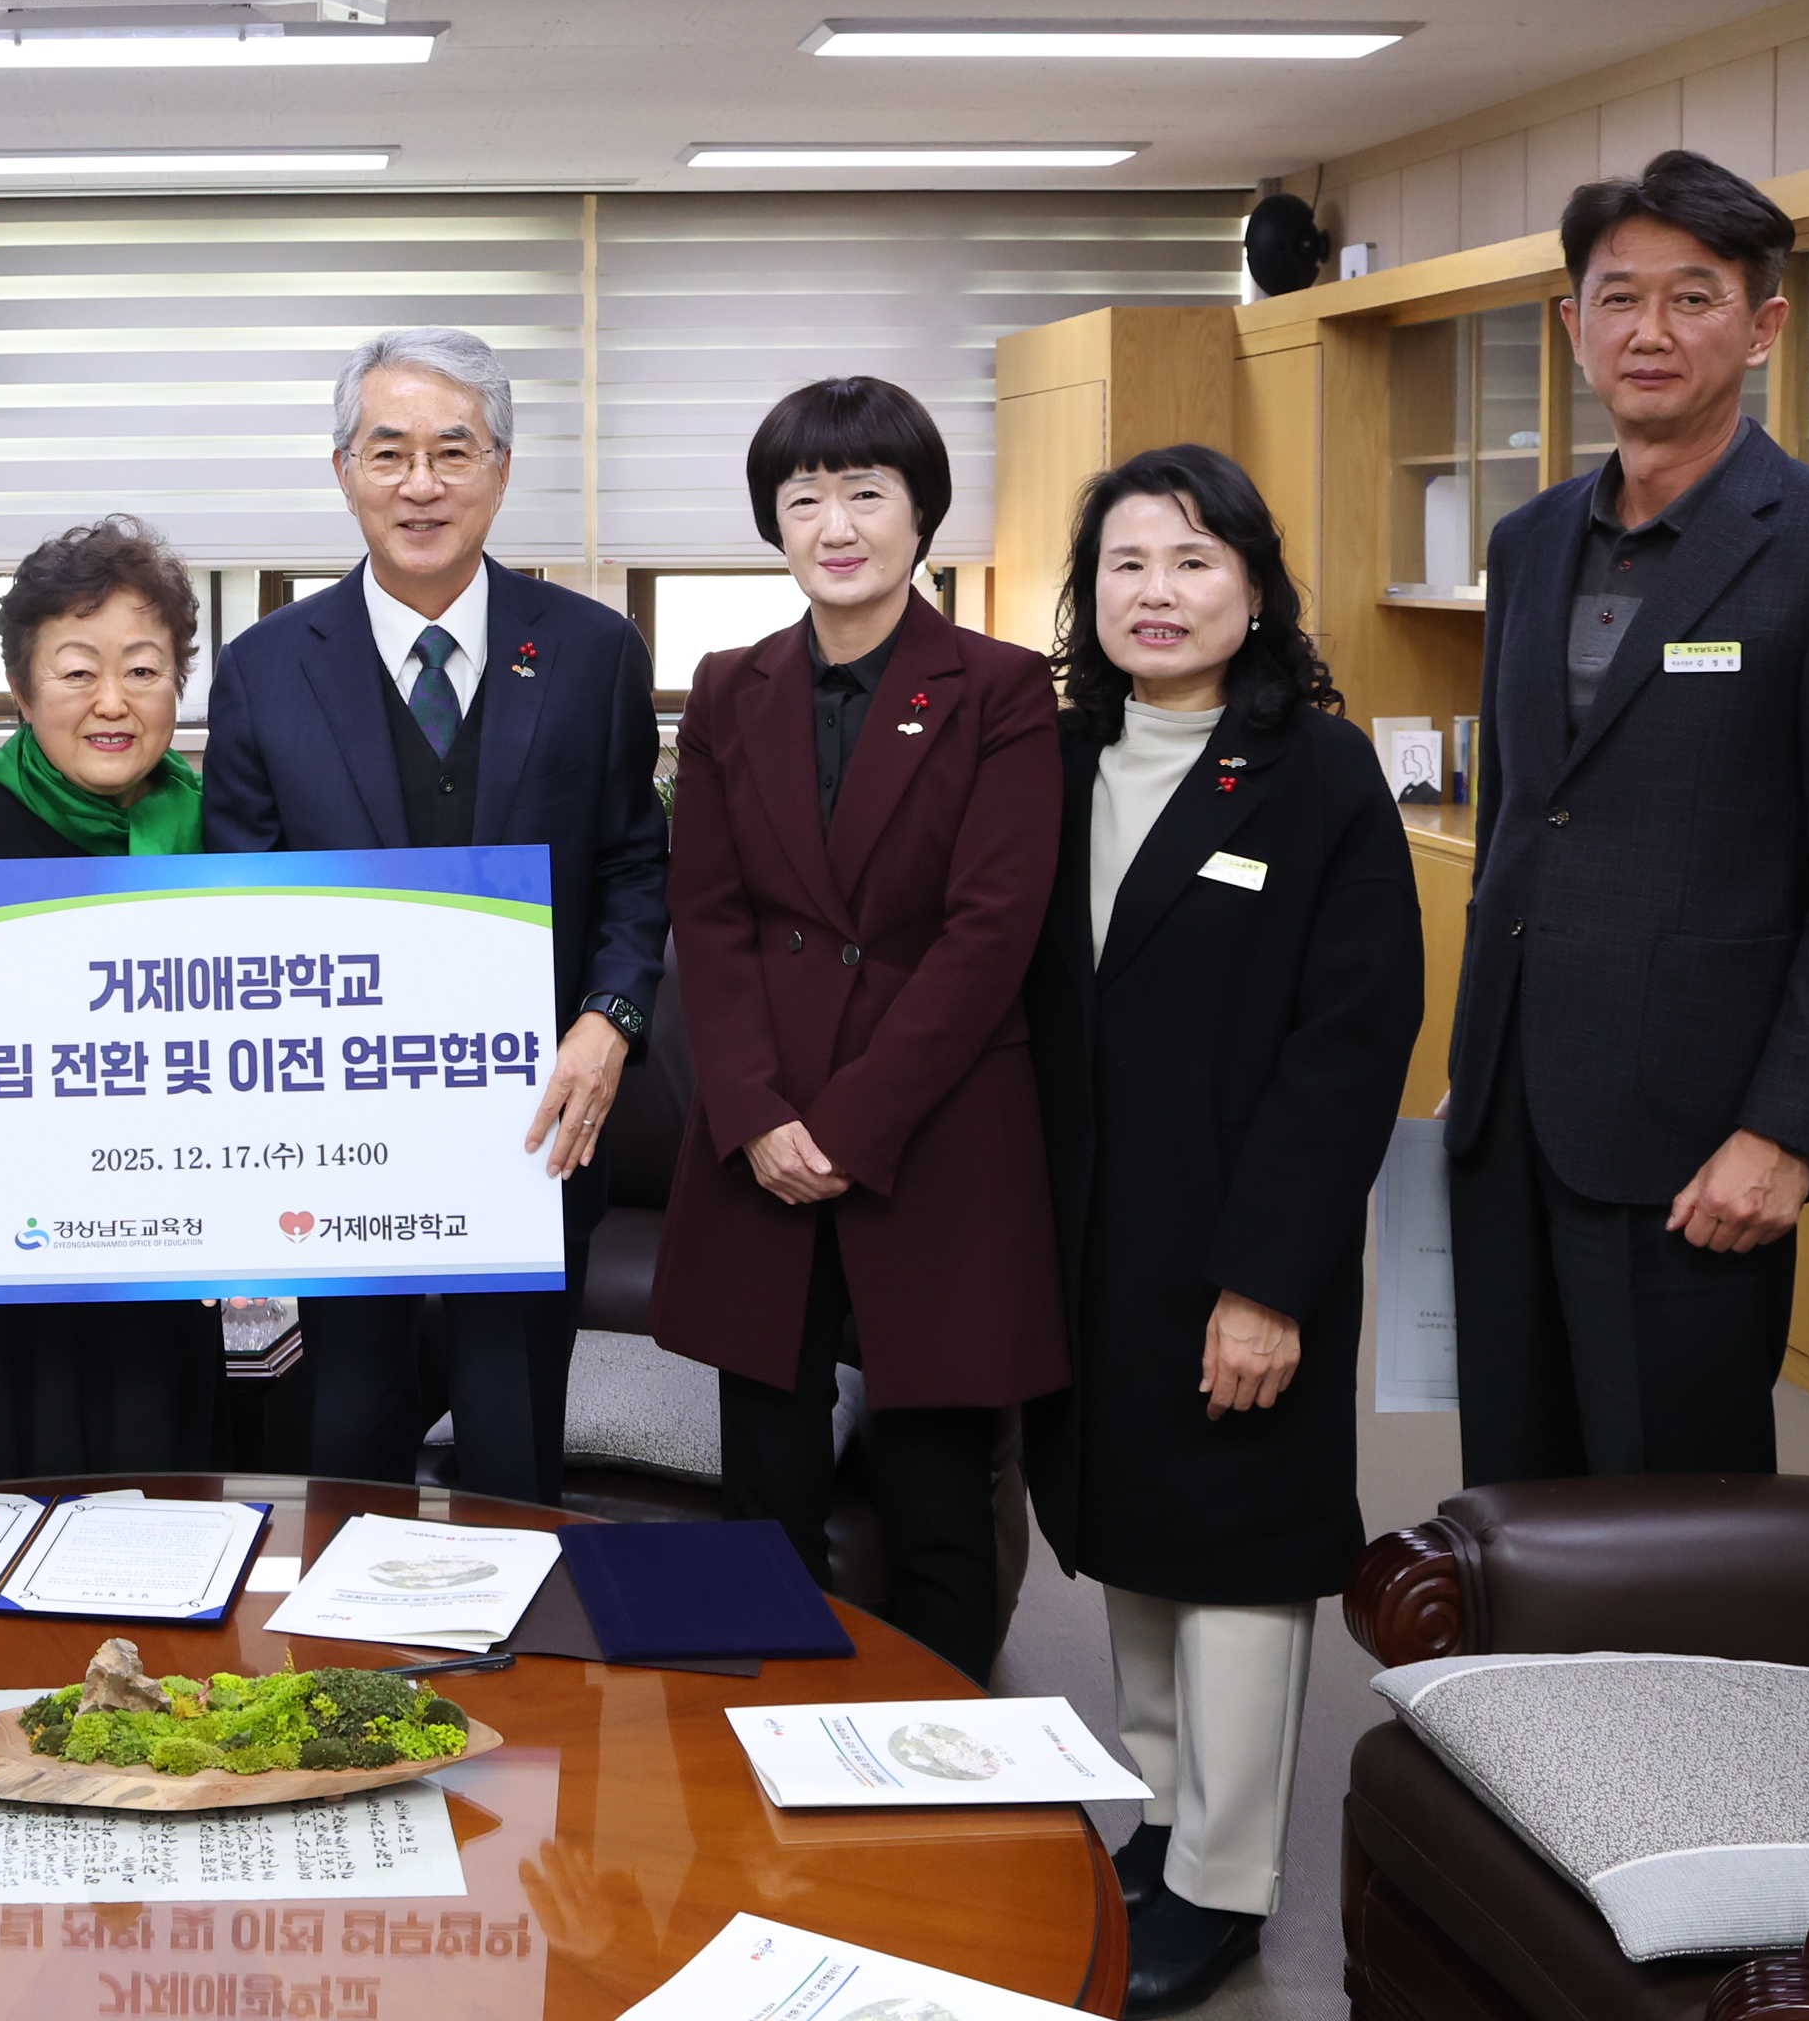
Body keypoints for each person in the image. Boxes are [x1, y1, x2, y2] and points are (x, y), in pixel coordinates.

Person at [1447, 150, 1809, 1484]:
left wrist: (1787, 1131)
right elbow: (1520, 819)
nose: (1650, 333)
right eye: (1617, 299)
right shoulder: (1529, 542)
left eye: (1694, 298)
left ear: (1765, 324)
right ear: (1573, 327)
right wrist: (1476, 1057)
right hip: (1511, 1117)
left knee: (1673, 1516)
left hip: (1697, 1141)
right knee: (1515, 1497)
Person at [1022, 444, 1422, 2018]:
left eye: (1194, 561)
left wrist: (1268, 1283)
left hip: (1244, 1242)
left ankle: (1227, 1881)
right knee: (1128, 1531)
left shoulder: (1318, 776)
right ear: (1091, 593)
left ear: (1253, 588)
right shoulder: (1053, 764)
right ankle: (1166, 1820)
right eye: (1128, 564)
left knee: (1242, 1552)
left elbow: (1351, 1046)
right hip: (1088, 1239)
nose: (1159, 594)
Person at [202, 327, 667, 1507]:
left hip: (537, 1132)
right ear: (344, 469)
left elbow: (632, 864)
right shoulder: (263, 668)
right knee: (346, 1438)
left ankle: (526, 1684)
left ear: (501, 468)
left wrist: (609, 1020)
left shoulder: (593, 652)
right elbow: (237, 899)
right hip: (345, 1139)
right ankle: (348, 1687)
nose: (421, 484)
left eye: (452, 451)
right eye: (388, 451)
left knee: (516, 1455)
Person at [650, 376, 1062, 1681]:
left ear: (921, 513)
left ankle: (935, 1781)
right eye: (805, 496)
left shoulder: (999, 687)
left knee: (940, 1502)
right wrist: (760, 1111)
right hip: (759, 1136)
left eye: (866, 492)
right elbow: (707, 918)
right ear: (775, 521)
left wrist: (849, 1121)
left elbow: (991, 934)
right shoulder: (727, 686)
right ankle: (751, 1757)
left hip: (931, 1133)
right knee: (759, 1496)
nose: (836, 522)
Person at [0, 518, 221, 1481]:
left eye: (144, 670)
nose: (113, 702)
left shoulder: (220, 847)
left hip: (157, 1276)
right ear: (21, 690)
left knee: (156, 1542)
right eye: (76, 672)